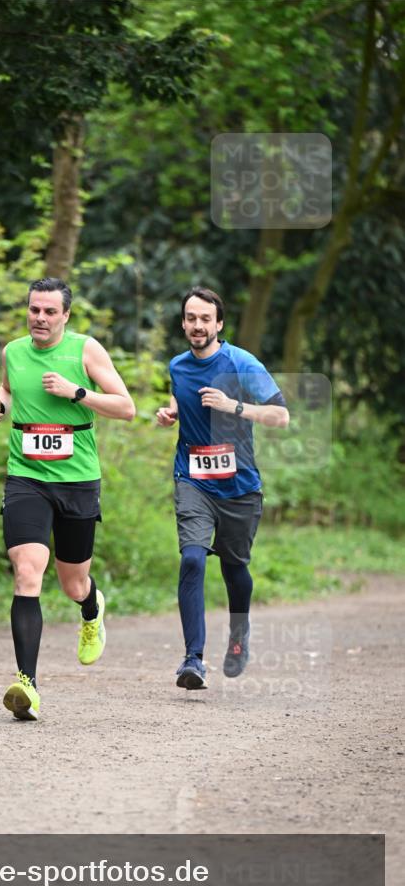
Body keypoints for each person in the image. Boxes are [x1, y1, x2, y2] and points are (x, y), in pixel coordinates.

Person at [0, 277, 135, 720]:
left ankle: (91, 606)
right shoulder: (13, 351)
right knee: (28, 573)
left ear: (66, 315)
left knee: (72, 583)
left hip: (77, 480)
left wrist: (77, 392)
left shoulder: (86, 351)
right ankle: (26, 685)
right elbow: (7, 388)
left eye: (50, 311)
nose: (40, 318)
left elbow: (126, 407)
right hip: (26, 477)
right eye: (34, 310)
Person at [157, 286, 289, 690]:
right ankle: (192, 659)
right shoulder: (178, 366)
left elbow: (281, 416)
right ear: (183, 323)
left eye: (205, 319)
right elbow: (183, 399)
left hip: (240, 487)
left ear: (219, 324)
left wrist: (234, 406)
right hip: (193, 479)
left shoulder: (242, 363)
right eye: (191, 318)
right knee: (193, 559)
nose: (198, 325)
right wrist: (172, 412)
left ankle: (239, 632)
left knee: (234, 568)